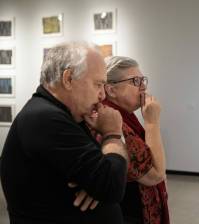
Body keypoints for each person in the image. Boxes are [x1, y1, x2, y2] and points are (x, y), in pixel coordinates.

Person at [0, 42, 129, 224]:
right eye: (98, 84)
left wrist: (96, 183)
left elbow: (105, 177)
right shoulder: (45, 118)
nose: (102, 95)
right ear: (68, 78)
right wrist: (113, 134)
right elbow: (112, 186)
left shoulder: (63, 115)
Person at [101, 56, 170, 224]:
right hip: (129, 213)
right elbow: (155, 175)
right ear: (111, 90)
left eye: (143, 80)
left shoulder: (125, 115)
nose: (143, 87)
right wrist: (152, 122)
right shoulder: (112, 121)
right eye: (136, 81)